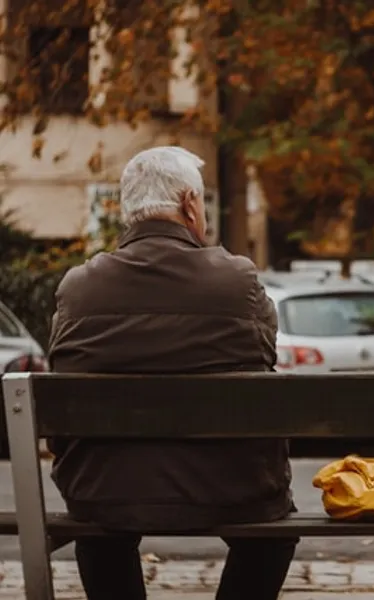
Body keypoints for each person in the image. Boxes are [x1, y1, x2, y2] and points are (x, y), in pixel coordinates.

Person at [48, 146, 296, 600]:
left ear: (127, 211)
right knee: (271, 535)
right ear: (189, 204)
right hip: (231, 488)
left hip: (105, 492)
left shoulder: (79, 288)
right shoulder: (237, 281)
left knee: (99, 529)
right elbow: (263, 359)